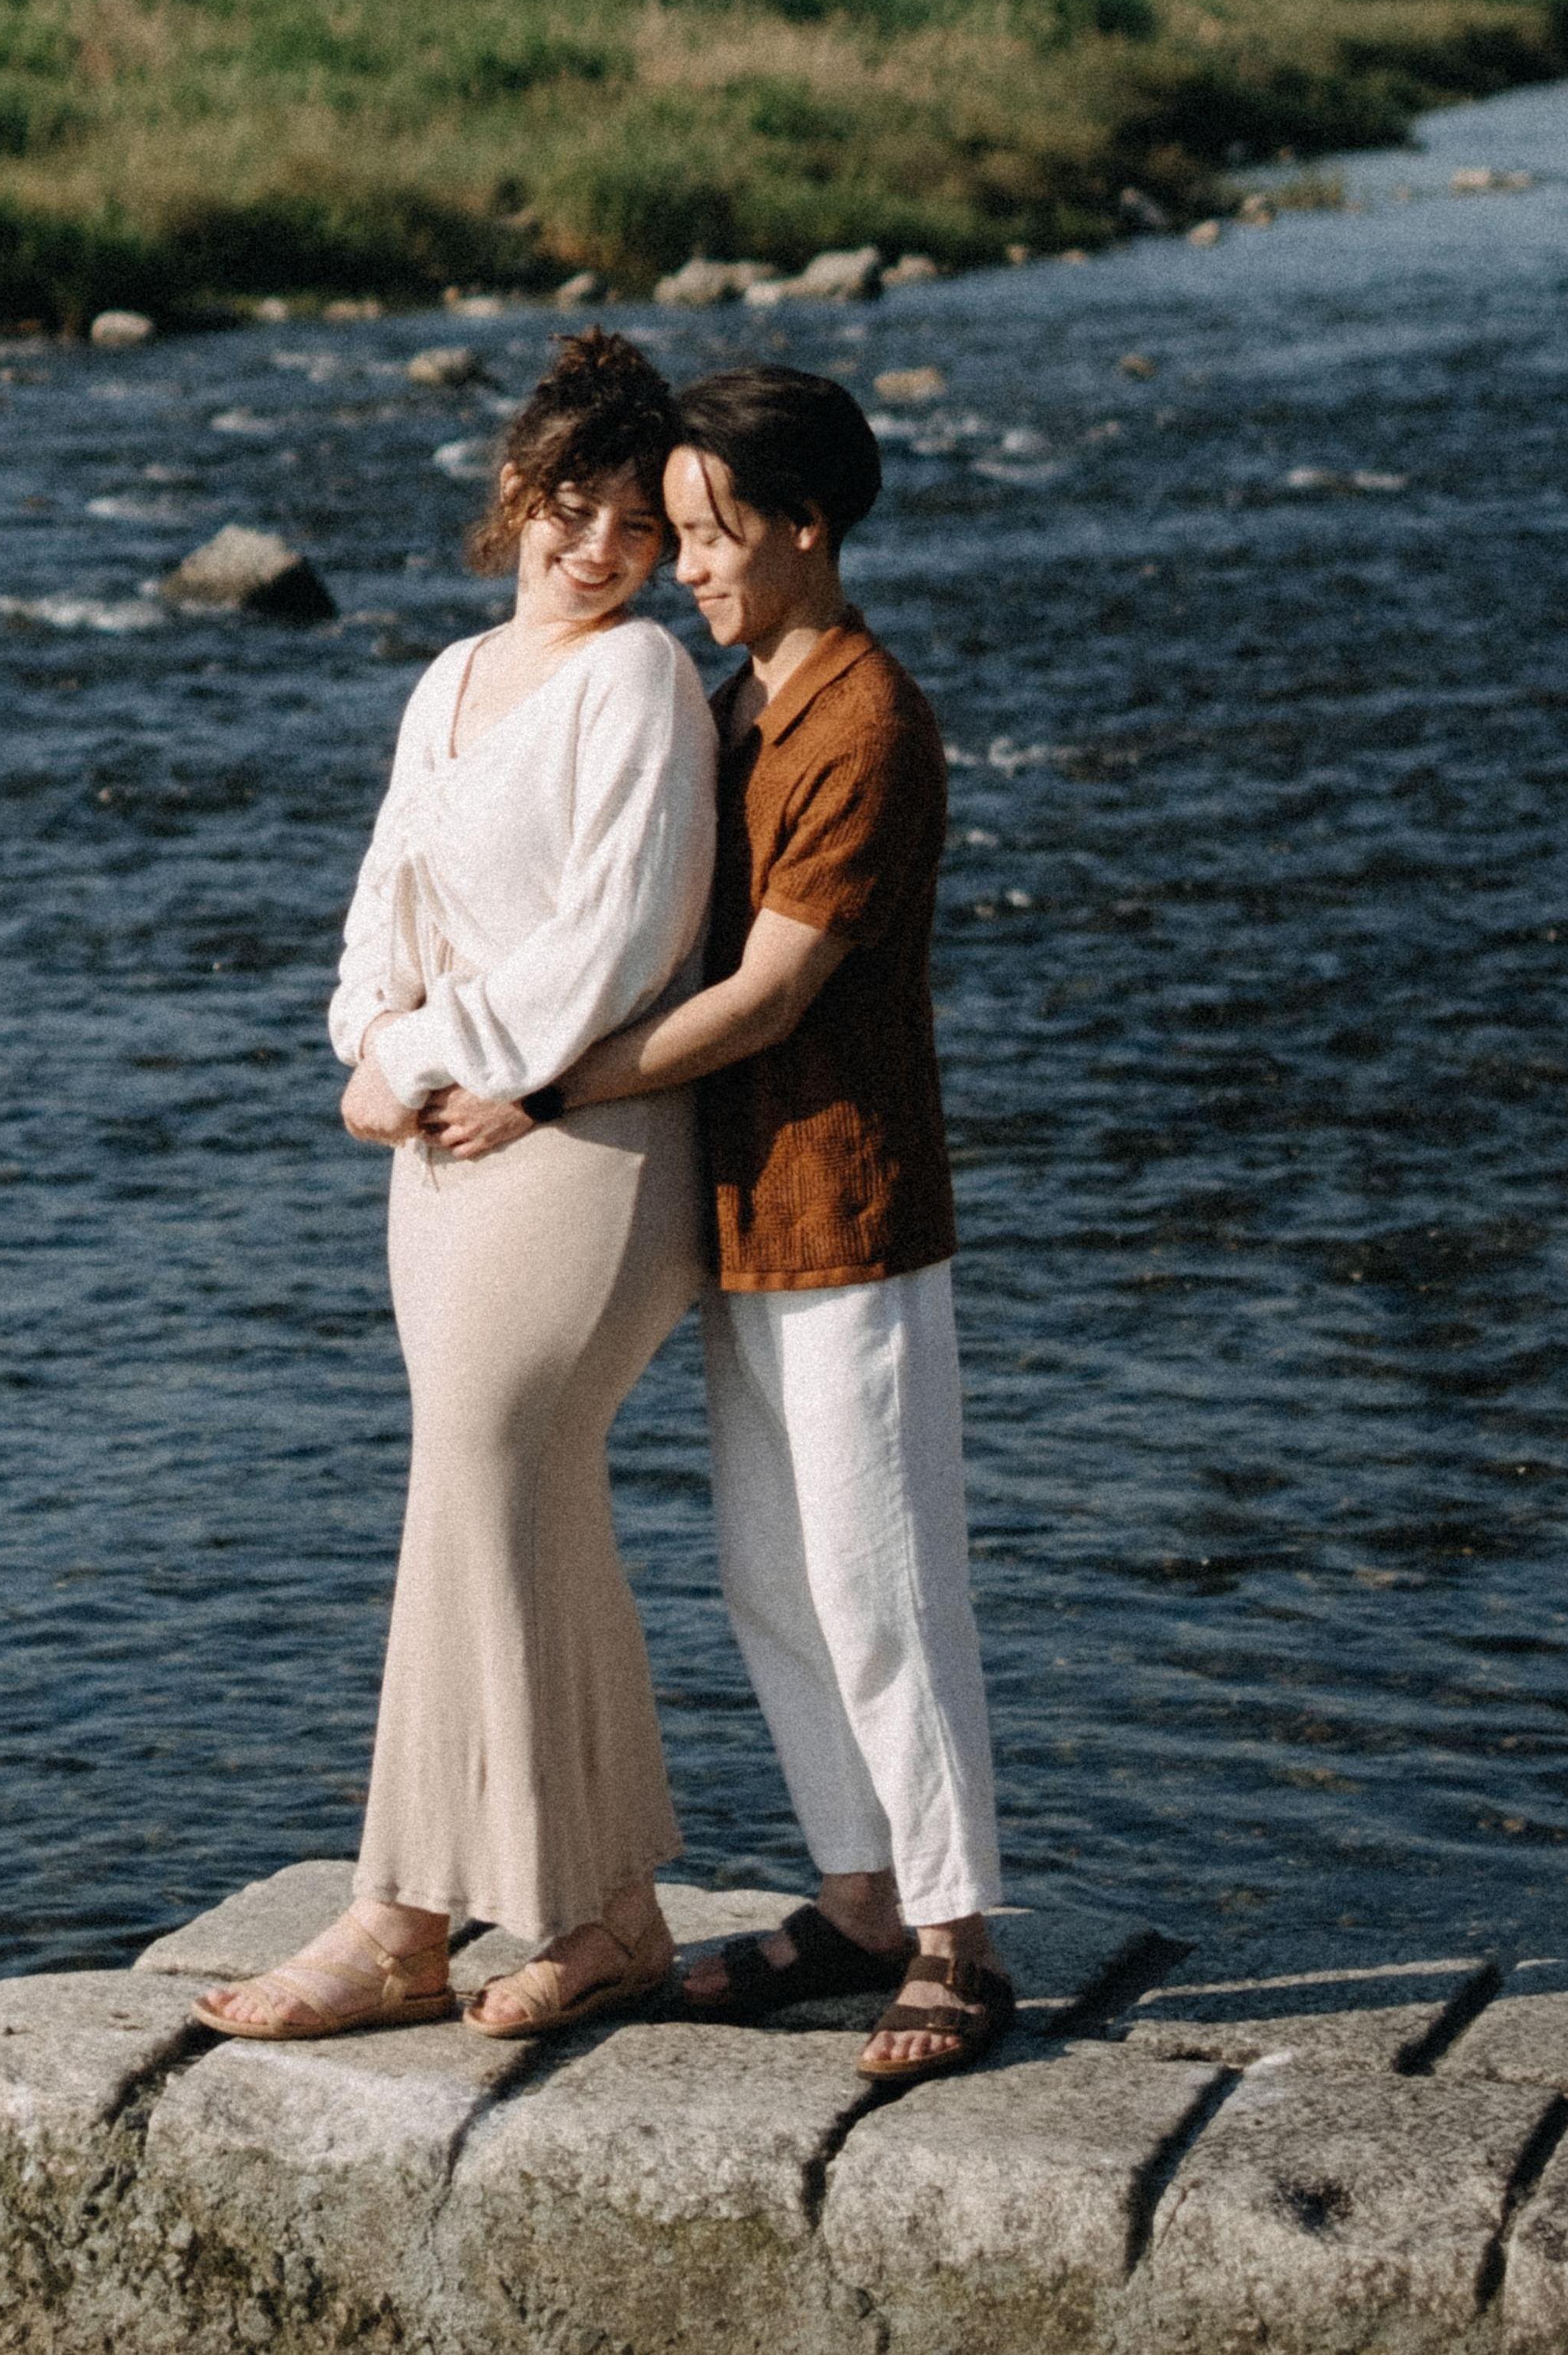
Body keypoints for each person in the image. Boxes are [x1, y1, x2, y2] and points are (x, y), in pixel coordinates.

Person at [424, 365, 1009, 2087]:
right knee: (774, 1579)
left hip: (852, 1208)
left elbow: (764, 995)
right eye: (672, 530)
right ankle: (856, 1901)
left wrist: (543, 1082)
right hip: (743, 1208)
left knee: (884, 1584)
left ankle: (961, 1941)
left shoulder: (865, 723)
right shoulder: (748, 698)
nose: (679, 563)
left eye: (708, 532)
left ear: (807, 527)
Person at [196, 333, 718, 2044]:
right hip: (439, 1150)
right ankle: (613, 1912)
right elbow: (381, 907)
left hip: (581, 1142)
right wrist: (374, 1038)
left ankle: (397, 1922)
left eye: (637, 522)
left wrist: (444, 1057)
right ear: (515, 498)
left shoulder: (636, 682)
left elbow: (626, 937)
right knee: (525, 1500)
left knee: (483, 1472)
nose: (599, 547)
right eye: (572, 508)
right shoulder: (443, 681)